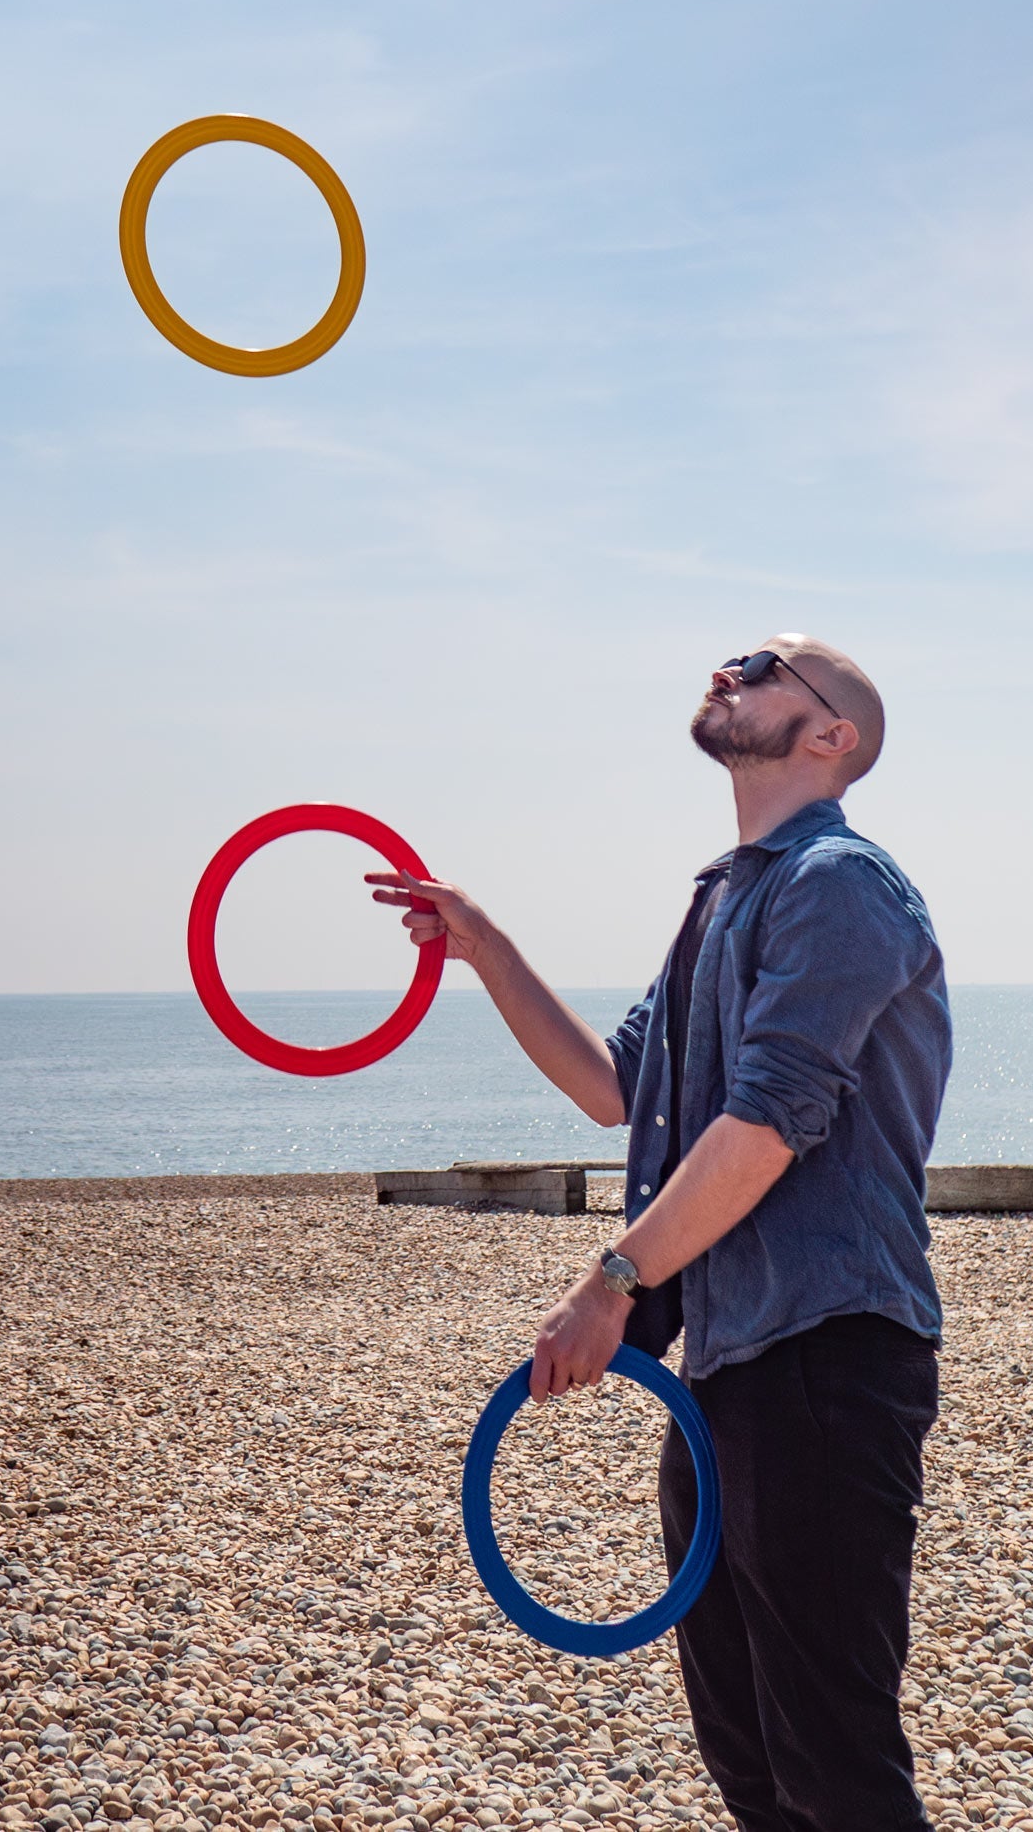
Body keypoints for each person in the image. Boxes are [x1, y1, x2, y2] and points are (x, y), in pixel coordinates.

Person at [367, 636, 951, 1832]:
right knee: (752, 1767)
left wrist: (613, 1279)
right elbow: (610, 1085)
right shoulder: (724, 894)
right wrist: (481, 946)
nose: (727, 669)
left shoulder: (836, 884)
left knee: (835, 1770)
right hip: (729, 1363)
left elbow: (765, 1123)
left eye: (765, 663)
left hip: (830, 1360)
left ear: (830, 734)